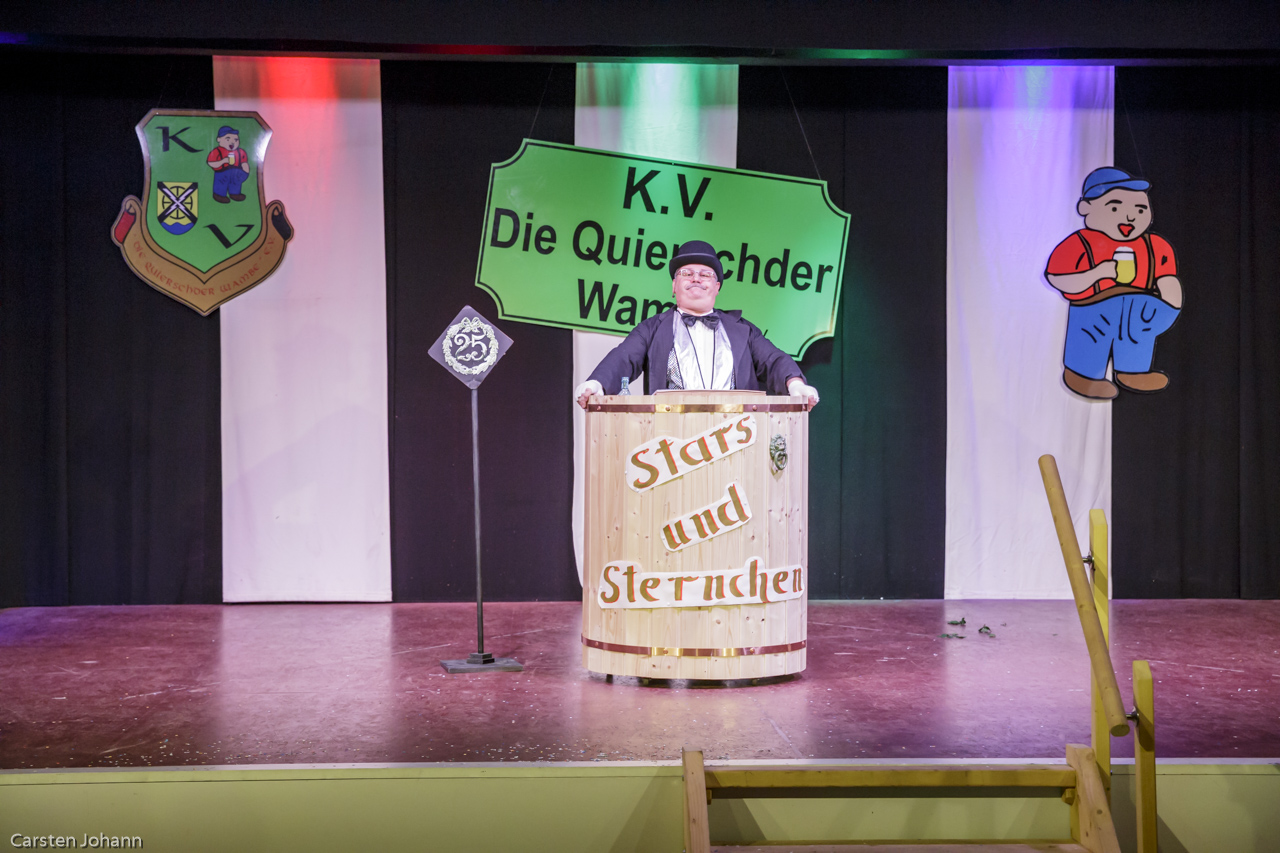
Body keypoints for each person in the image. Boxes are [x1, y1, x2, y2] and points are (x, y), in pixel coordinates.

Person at [574, 240, 820, 408]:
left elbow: (773, 359)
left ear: (717, 287)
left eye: (705, 274)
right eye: (686, 273)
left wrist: (795, 383)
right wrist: (597, 384)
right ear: (674, 286)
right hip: (670, 441)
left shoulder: (743, 330)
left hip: (737, 438)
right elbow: (623, 357)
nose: (696, 279)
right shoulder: (652, 328)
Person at [1045, 167, 1183, 399]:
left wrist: (1171, 304)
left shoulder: (1156, 246)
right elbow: (1057, 278)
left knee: (1137, 336)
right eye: (1115, 207)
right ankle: (1083, 375)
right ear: (1086, 208)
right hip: (1093, 308)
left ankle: (1134, 371)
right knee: (1091, 338)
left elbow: (1166, 276)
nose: (1130, 217)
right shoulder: (1079, 243)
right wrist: (1097, 274)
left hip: (1139, 310)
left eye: (1140, 209)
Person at [207, 126, 251, 204]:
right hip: (221, 173)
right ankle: (219, 195)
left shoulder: (240, 152)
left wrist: (246, 172)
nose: (232, 142)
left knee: (235, 183)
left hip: (236, 173)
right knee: (221, 184)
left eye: (236, 140)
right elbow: (211, 162)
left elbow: (244, 162)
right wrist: (223, 161)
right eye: (228, 139)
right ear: (219, 139)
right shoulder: (217, 151)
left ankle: (235, 194)